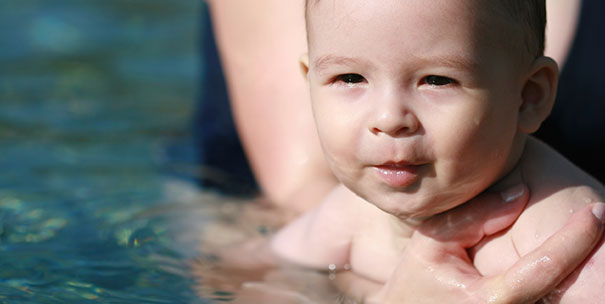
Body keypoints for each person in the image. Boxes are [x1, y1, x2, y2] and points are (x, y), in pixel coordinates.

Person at [200, 0, 604, 301]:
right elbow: (248, 278)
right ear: (309, 83)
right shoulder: (349, 215)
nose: (390, 117)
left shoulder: (564, 235)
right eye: (350, 77)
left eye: (436, 80)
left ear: (529, 96)